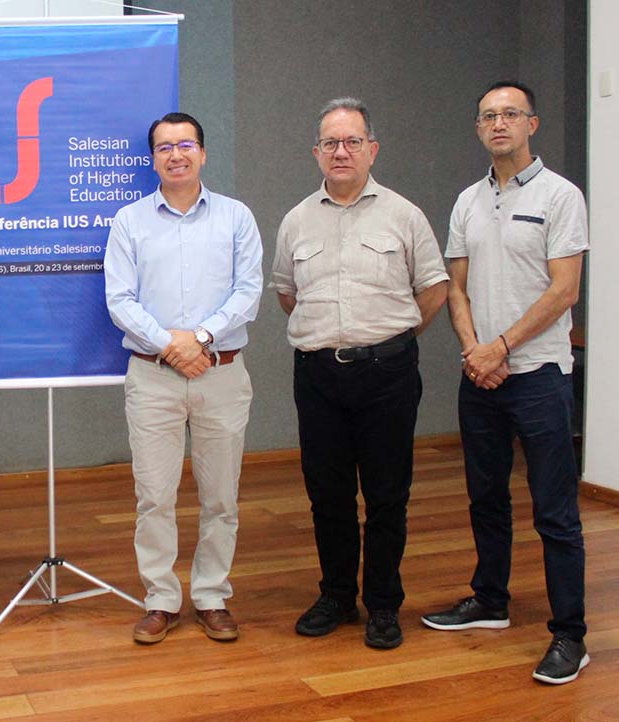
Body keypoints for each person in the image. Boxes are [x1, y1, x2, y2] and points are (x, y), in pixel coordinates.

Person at [421, 80, 590, 685]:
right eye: (488, 115)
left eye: (510, 114)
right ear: (478, 128)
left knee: (555, 511)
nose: (499, 124)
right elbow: (456, 287)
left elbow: (563, 290)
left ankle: (570, 634)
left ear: (532, 124)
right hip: (481, 376)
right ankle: (490, 600)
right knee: (485, 497)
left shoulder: (561, 196)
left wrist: (501, 347)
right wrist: (473, 350)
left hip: (539, 374)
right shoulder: (468, 200)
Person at [271, 98, 449, 650]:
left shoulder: (404, 214)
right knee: (327, 493)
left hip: (388, 376)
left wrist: (388, 339)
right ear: (316, 153)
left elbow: (434, 289)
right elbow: (286, 293)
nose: (340, 152)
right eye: (330, 143)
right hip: (318, 376)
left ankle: (384, 603)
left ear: (372, 148)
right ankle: (337, 595)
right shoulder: (297, 219)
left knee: (387, 493)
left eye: (352, 141)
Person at [104, 111, 263, 644]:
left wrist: (201, 339)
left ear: (203, 153)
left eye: (186, 144)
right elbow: (119, 299)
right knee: (155, 495)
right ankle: (161, 597)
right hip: (153, 376)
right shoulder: (129, 221)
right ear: (152, 158)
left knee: (221, 495)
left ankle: (212, 594)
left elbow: (248, 292)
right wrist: (172, 345)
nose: (176, 154)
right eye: (164, 147)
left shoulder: (237, 217)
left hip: (221, 372)